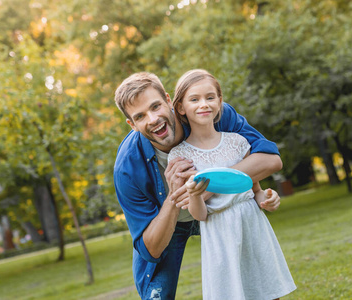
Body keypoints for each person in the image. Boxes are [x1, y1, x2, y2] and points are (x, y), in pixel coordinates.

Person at [114, 72, 283, 299]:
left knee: (251, 280)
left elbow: (271, 159)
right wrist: (175, 198)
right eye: (141, 116)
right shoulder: (127, 167)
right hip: (170, 223)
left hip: (220, 209)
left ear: (168, 100)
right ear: (132, 124)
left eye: (156, 106)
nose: (153, 119)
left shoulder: (209, 113)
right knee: (156, 294)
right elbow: (151, 249)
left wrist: (207, 187)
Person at [168, 69, 296, 299]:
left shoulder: (238, 142)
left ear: (219, 101)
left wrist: (266, 198)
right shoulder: (181, 155)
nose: (203, 104)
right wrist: (196, 195)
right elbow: (200, 216)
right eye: (194, 99)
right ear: (180, 107)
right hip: (220, 235)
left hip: (252, 226)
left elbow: (254, 190)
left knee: (267, 291)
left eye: (210, 97)